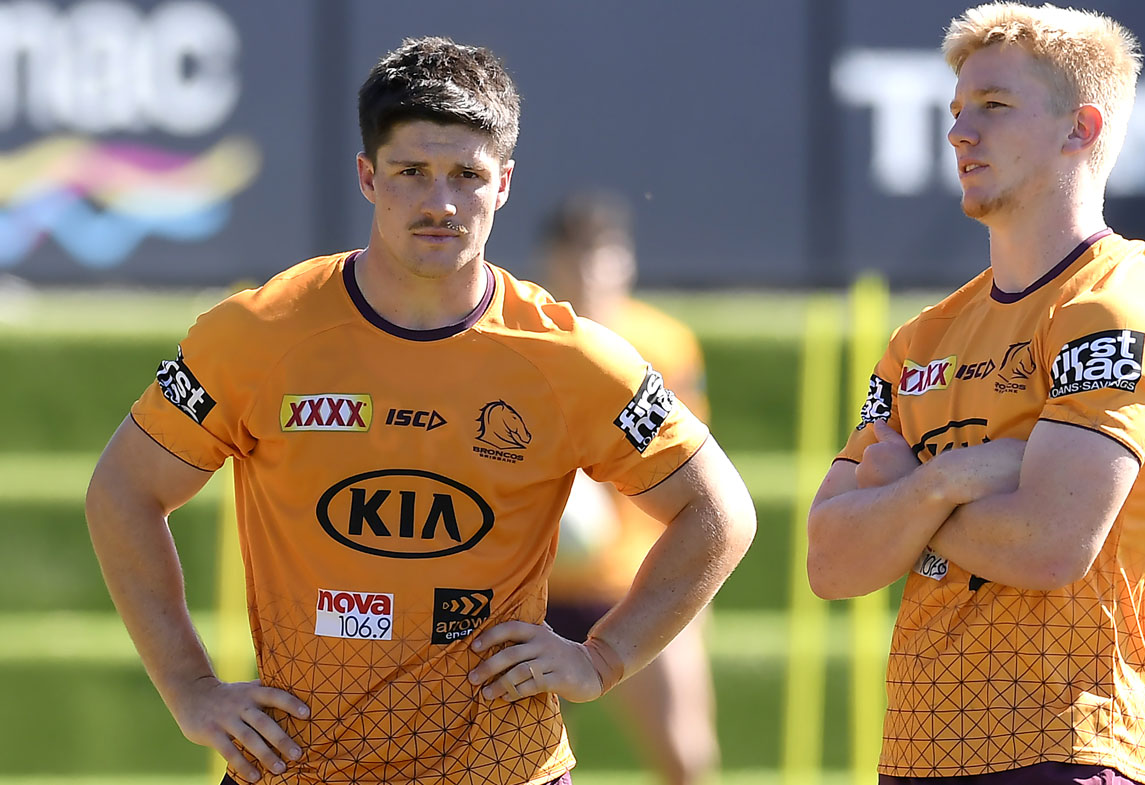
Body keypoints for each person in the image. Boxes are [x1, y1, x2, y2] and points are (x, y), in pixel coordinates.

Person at [84, 37, 756, 785]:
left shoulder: (571, 357)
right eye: (411, 172)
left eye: (467, 175)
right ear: (368, 177)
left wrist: (602, 657)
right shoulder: (257, 334)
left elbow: (720, 512)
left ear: (504, 184)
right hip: (298, 768)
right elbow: (123, 491)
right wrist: (190, 687)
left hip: (504, 770)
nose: (441, 203)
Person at [806, 5, 1145, 785]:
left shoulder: (1112, 308)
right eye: (957, 109)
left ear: (1080, 129)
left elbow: (1051, 539)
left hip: (1069, 747)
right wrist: (951, 478)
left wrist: (902, 503)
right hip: (916, 755)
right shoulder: (921, 339)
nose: (960, 132)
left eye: (993, 106)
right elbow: (831, 557)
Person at [539, 192, 719, 785]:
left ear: (627, 261)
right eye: (577, 256)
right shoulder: (525, 339)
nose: (591, 272)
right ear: (553, 261)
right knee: (502, 761)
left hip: (630, 580)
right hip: (534, 589)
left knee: (686, 755)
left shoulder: (661, 344)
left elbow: (687, 469)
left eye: (604, 256)